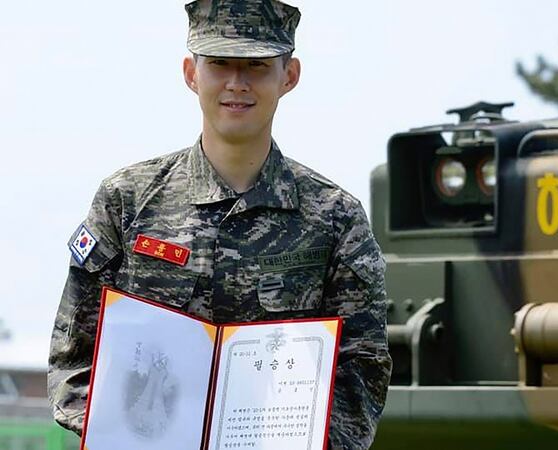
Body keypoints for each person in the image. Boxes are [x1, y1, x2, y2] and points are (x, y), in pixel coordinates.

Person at [47, 1, 392, 448]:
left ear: (289, 76)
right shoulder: (127, 202)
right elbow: (73, 353)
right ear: (191, 73)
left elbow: (363, 367)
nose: (237, 83)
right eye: (220, 63)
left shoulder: (335, 218)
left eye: (257, 66)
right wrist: (124, 430)